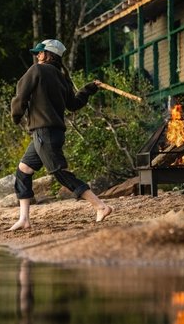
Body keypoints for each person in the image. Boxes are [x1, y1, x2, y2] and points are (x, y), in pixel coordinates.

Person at [9, 39, 113, 230]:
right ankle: (24, 219)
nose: (37, 56)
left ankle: (101, 206)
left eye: (40, 53)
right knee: (23, 170)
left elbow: (20, 96)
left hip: (44, 133)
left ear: (48, 55)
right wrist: (89, 89)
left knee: (60, 172)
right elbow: (73, 104)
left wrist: (16, 116)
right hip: (53, 133)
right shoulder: (61, 77)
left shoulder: (37, 70)